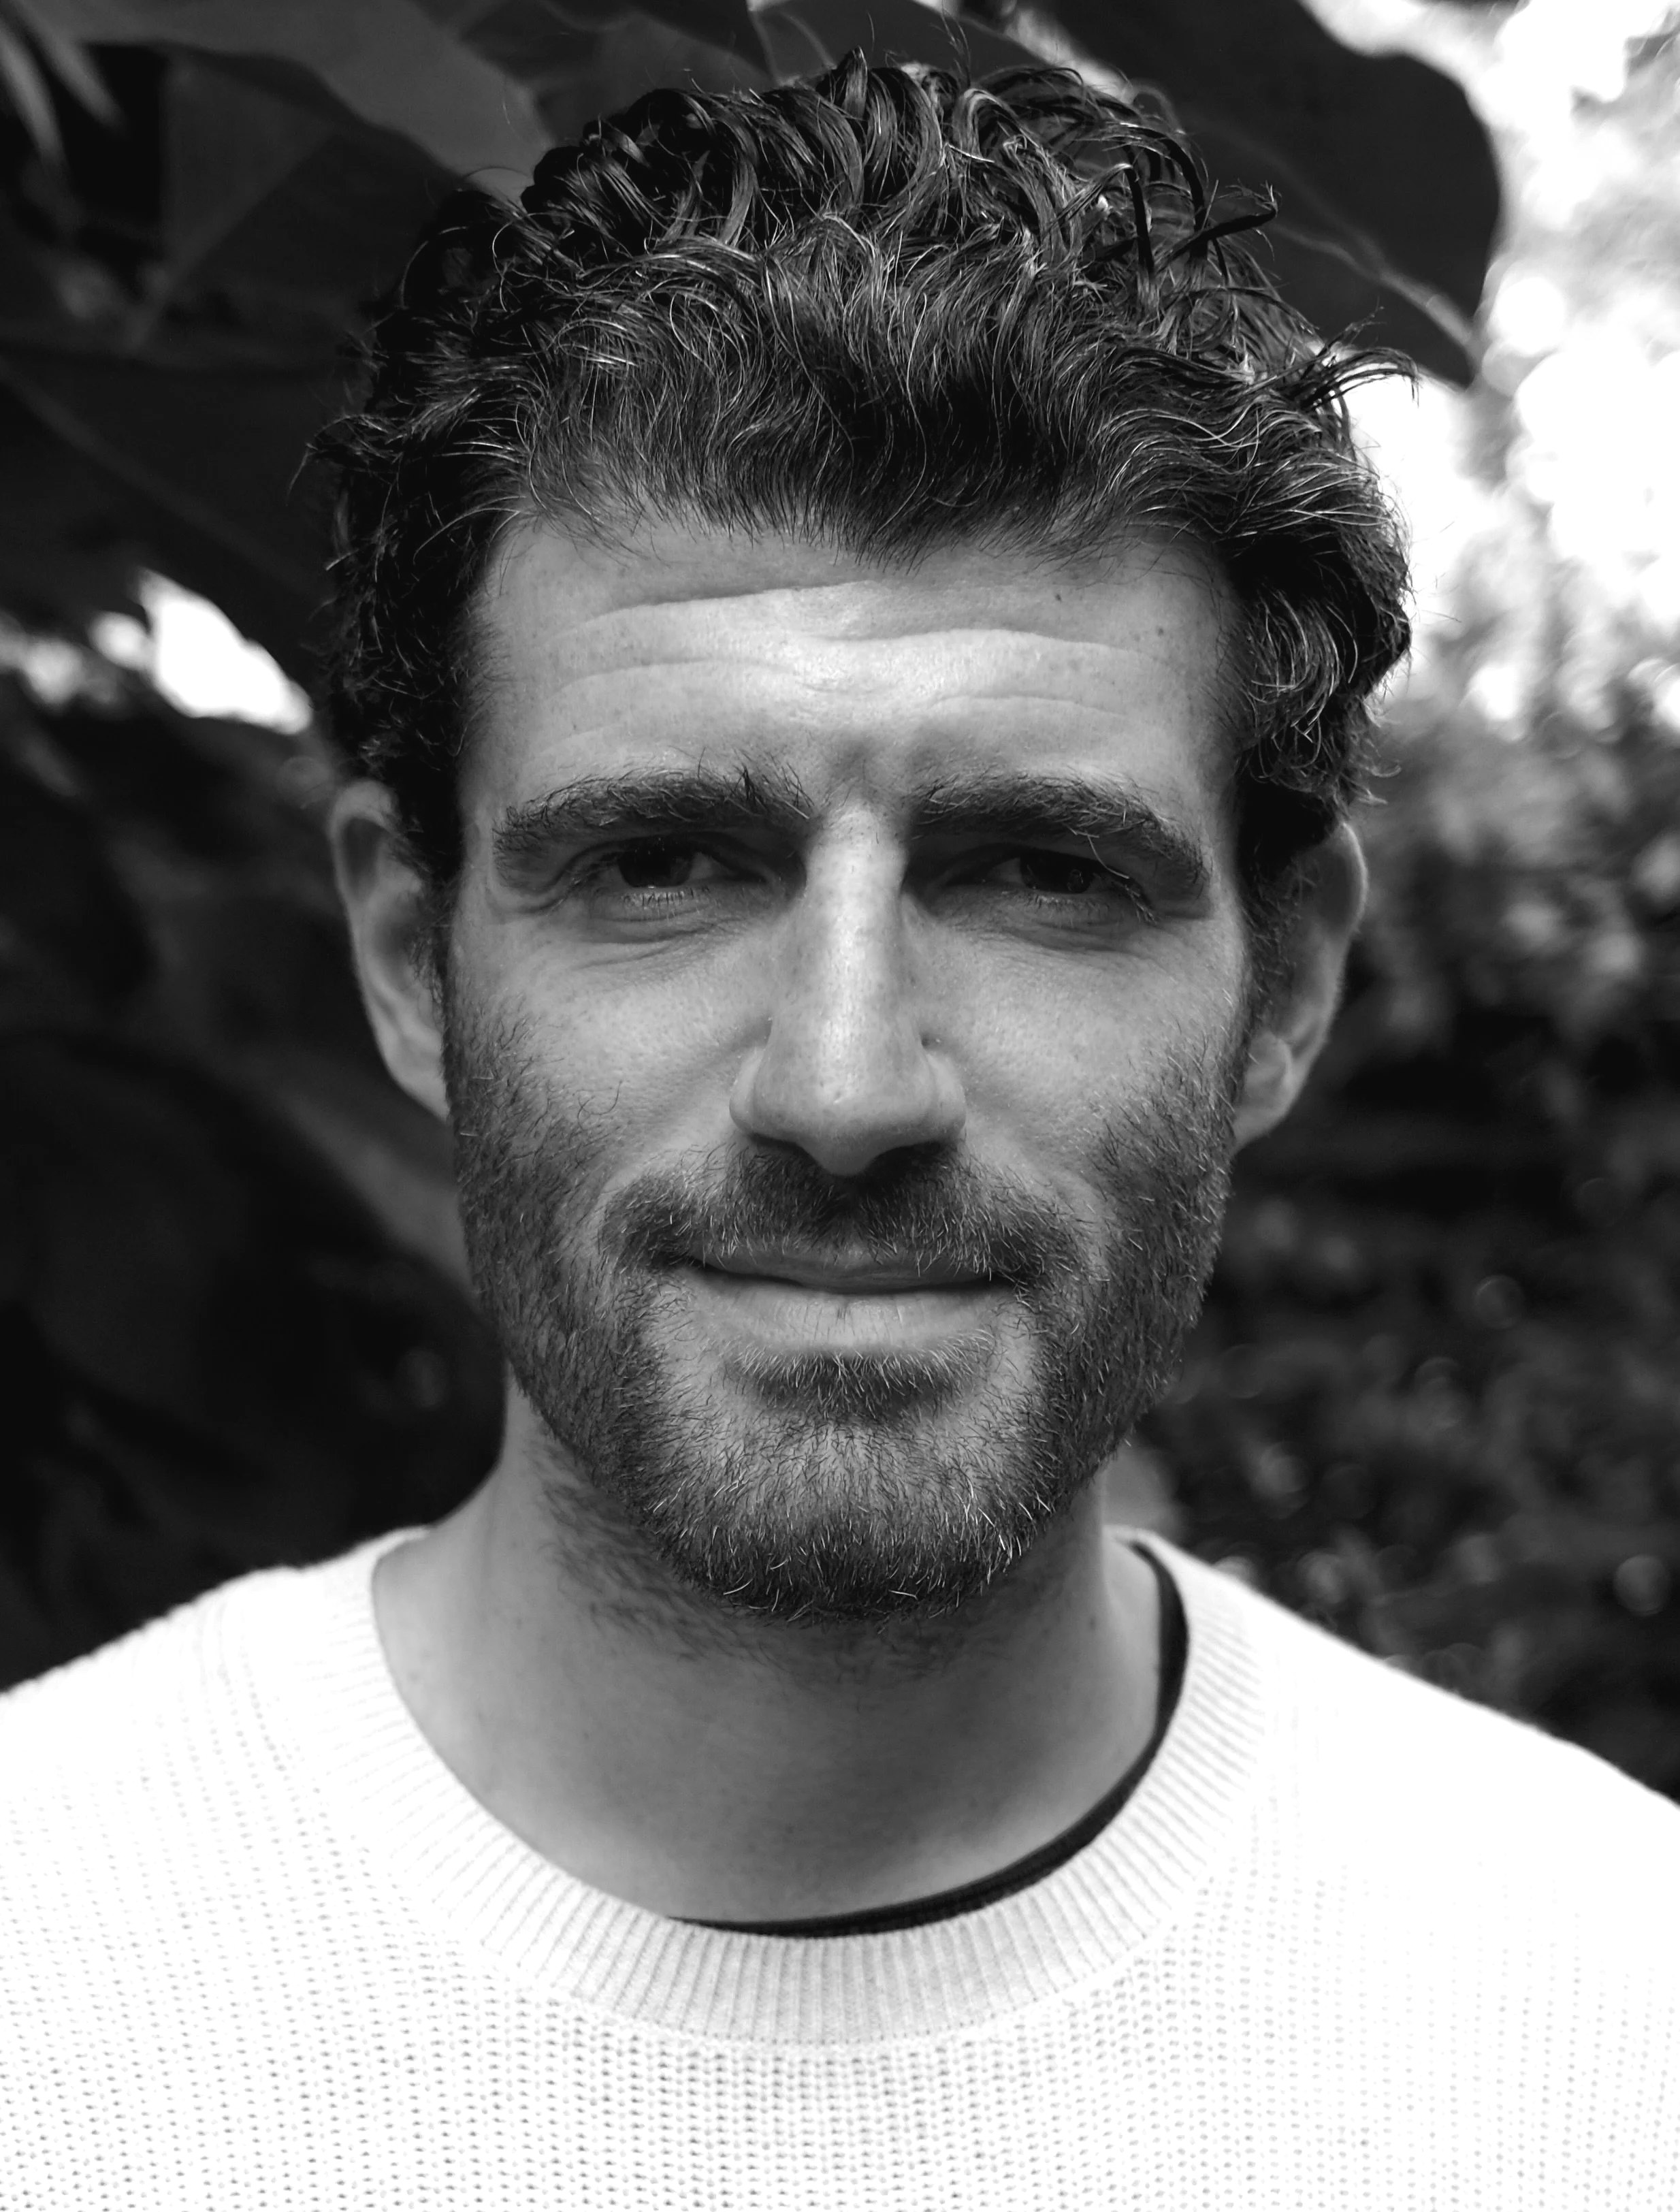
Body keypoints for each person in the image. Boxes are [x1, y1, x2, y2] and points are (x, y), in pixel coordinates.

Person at [3, 53, 1676, 2211]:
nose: (843, 1085)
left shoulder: (1610, 2030)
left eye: (1038, 871)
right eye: (662, 864)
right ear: (416, 960)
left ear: (1282, 983)